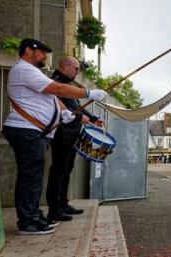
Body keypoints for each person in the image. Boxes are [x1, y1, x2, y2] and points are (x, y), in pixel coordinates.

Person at [2, 38, 107, 235]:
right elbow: (57, 89)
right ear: (28, 50)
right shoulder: (24, 69)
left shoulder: (31, 71)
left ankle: (32, 215)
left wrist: (64, 112)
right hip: (26, 130)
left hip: (34, 132)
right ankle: (27, 221)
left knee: (34, 176)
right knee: (30, 177)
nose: (45, 56)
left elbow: (52, 97)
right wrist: (89, 92)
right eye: (42, 52)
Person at [46, 56, 104, 222]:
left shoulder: (67, 84)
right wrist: (81, 119)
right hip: (61, 133)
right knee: (58, 170)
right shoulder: (56, 83)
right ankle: (54, 209)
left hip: (71, 133)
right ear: (65, 66)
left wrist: (92, 118)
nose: (78, 72)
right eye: (76, 69)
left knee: (66, 170)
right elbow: (62, 110)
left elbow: (76, 108)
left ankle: (63, 204)